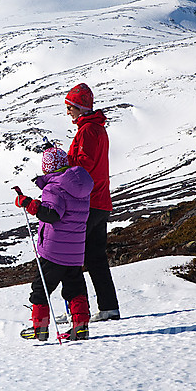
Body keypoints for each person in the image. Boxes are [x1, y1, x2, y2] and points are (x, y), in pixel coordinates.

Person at [15, 146, 94, 341]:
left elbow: (51, 215)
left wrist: (28, 204)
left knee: (41, 288)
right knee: (75, 289)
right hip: (75, 251)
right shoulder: (81, 186)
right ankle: (81, 328)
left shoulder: (54, 187)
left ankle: (39, 329)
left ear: (47, 168)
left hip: (54, 250)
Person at [65, 83, 120, 321]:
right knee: (96, 258)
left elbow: (83, 166)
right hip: (101, 202)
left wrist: (61, 168)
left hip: (87, 203)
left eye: (70, 107)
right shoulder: (97, 129)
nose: (68, 112)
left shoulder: (87, 131)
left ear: (80, 107)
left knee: (71, 256)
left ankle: (79, 313)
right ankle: (108, 307)